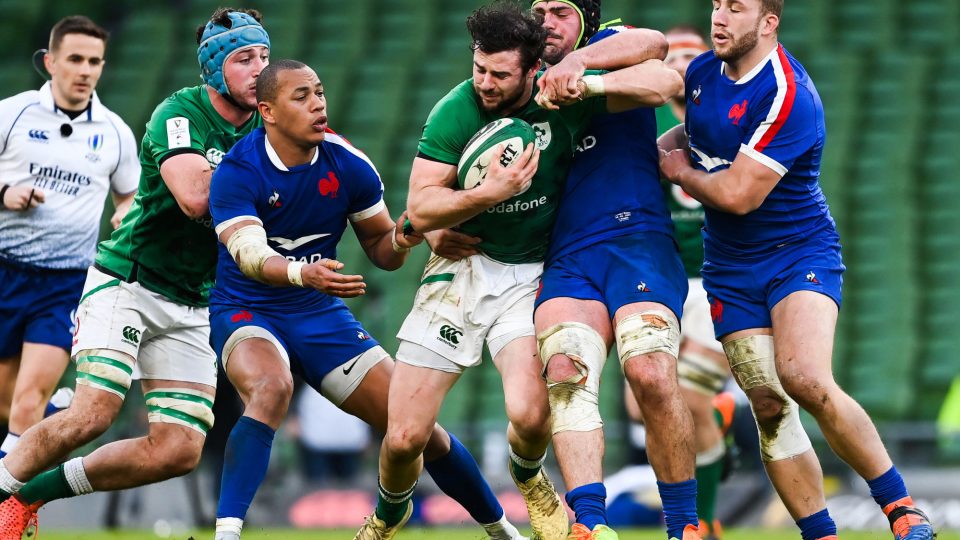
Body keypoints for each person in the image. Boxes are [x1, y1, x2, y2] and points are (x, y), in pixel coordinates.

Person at [360, 2, 682, 539]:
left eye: (499, 74)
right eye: (479, 69)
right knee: (402, 440)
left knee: (531, 417)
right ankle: (389, 511)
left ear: (532, 70)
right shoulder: (455, 110)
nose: (485, 83)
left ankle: (530, 478)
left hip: (529, 272)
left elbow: (660, 73)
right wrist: (488, 193)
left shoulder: (562, 95)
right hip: (459, 269)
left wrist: (587, 78)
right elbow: (420, 206)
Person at [209, 59, 525, 540]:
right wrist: (302, 273)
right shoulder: (237, 171)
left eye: (320, 92)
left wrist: (408, 234)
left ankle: (503, 532)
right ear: (267, 111)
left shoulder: (349, 164)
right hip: (249, 306)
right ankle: (227, 533)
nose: (318, 103)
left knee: (414, 429)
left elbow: (383, 251)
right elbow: (251, 257)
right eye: (302, 96)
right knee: (271, 388)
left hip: (318, 311)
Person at [658, 1, 934, 540]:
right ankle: (821, 533)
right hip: (729, 267)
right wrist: (662, 150)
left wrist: (680, 173)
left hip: (797, 252)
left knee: (804, 377)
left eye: (735, 8)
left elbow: (737, 195)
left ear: (768, 22)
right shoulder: (700, 75)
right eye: (716, 5)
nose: (719, 17)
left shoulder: (789, 94)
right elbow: (684, 135)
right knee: (767, 405)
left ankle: (902, 509)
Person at [0, 7, 270, 537]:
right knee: (91, 413)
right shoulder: (180, 111)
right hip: (129, 281)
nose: (260, 68)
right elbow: (195, 197)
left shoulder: (268, 122)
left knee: (177, 449)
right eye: (244, 58)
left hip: (191, 298)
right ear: (215, 68)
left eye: (264, 55)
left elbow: (328, 160)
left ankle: (25, 497)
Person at [526, 3, 699, 540]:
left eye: (560, 11)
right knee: (564, 371)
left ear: (588, 18)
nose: (547, 22)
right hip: (569, 254)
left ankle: (684, 526)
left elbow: (659, 67)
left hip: (637, 241)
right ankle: (590, 526)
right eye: (538, 12)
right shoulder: (519, 74)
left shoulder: (612, 43)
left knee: (650, 373)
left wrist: (581, 72)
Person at [0, 15, 138, 460]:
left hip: (66, 284)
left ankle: (11, 515)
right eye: (75, 59)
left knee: (26, 403)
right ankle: (59, 415)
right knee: (6, 405)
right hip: (6, 271)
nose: (85, 71)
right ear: (50, 62)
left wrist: (125, 216)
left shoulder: (115, 133)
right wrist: (7, 192)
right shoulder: (12, 113)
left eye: (94, 61)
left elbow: (129, 197)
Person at [654, 26, 731, 540]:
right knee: (653, 409)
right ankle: (722, 426)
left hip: (717, 278)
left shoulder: (727, 115)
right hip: (663, 281)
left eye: (690, 55)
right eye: (672, 56)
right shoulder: (647, 121)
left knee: (692, 401)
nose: (682, 64)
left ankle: (702, 521)